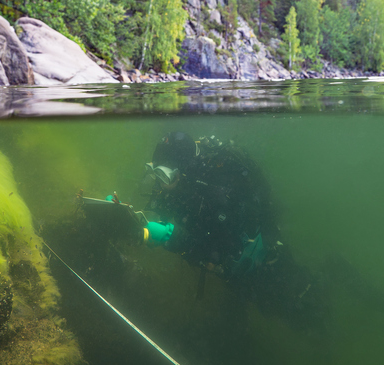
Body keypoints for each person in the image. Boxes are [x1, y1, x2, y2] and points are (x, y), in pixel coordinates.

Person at [135, 131, 330, 337]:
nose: (160, 183)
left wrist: (170, 237)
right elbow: (161, 209)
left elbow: (220, 251)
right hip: (239, 277)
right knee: (269, 311)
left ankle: (334, 271)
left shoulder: (217, 193)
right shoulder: (180, 187)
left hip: (264, 266)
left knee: (301, 314)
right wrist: (131, 214)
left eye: (164, 175)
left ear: (184, 172)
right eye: (155, 172)